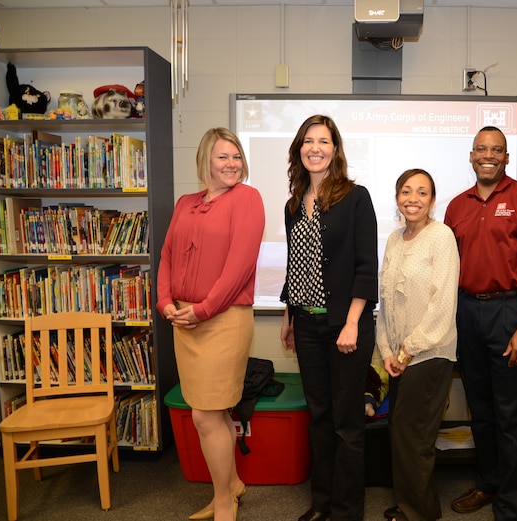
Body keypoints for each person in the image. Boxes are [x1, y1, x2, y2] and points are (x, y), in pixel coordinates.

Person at [443, 126, 517, 521]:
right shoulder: (456, 206)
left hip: (510, 311)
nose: (488, 155)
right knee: (482, 410)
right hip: (467, 312)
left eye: (497, 150)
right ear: (471, 156)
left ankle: (510, 503)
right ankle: (488, 483)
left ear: (507, 157)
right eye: (481, 149)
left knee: (513, 415)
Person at [156, 127, 265, 521]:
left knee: (205, 414)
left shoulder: (248, 199)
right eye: (223, 157)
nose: (232, 164)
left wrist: (201, 310)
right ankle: (233, 485)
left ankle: (224, 500)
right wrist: (165, 301)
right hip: (183, 321)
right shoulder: (186, 202)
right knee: (212, 414)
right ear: (206, 160)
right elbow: (167, 255)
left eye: (236, 156)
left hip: (223, 320)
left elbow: (239, 267)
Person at [279, 114, 379, 521]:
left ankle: (347, 511)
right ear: (299, 149)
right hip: (305, 323)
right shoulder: (292, 205)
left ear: (334, 149)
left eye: (323, 141)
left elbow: (365, 266)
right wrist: (288, 315)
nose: (314, 148)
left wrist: (353, 321)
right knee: (318, 417)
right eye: (308, 141)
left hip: (346, 325)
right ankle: (321, 503)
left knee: (347, 422)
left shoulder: (356, 197)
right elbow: (295, 265)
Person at [376, 169, 460, 521]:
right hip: (399, 356)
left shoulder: (441, 237)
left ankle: (417, 513)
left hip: (429, 354)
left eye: (422, 192)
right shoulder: (395, 239)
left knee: (415, 436)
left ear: (432, 200)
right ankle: (411, 506)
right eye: (406, 191)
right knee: (403, 433)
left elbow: (442, 305)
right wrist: (386, 352)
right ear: (397, 198)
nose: (413, 198)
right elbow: (384, 300)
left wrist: (407, 350)